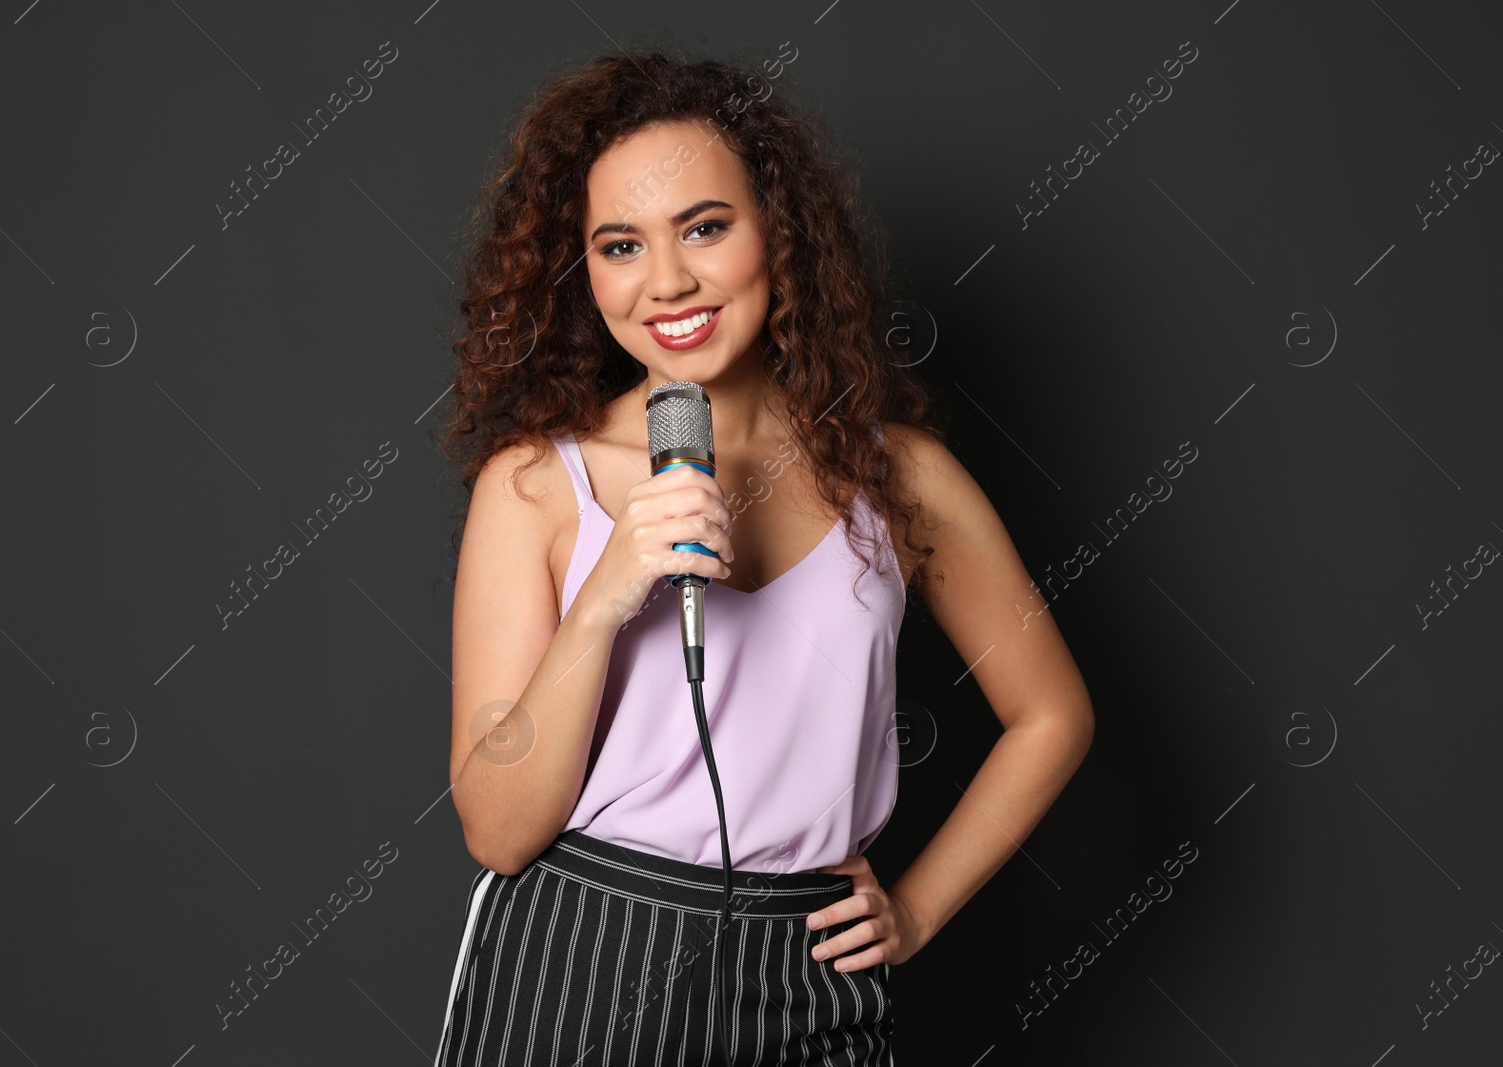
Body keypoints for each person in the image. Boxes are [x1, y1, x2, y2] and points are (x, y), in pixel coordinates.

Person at [432, 47, 1094, 1067]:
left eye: (704, 226)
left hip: (807, 970)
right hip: (582, 958)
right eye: (619, 245)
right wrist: (607, 597)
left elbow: (1051, 714)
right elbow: (499, 829)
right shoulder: (533, 485)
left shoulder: (898, 475)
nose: (667, 281)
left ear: (777, 234)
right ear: (584, 271)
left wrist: (912, 910)